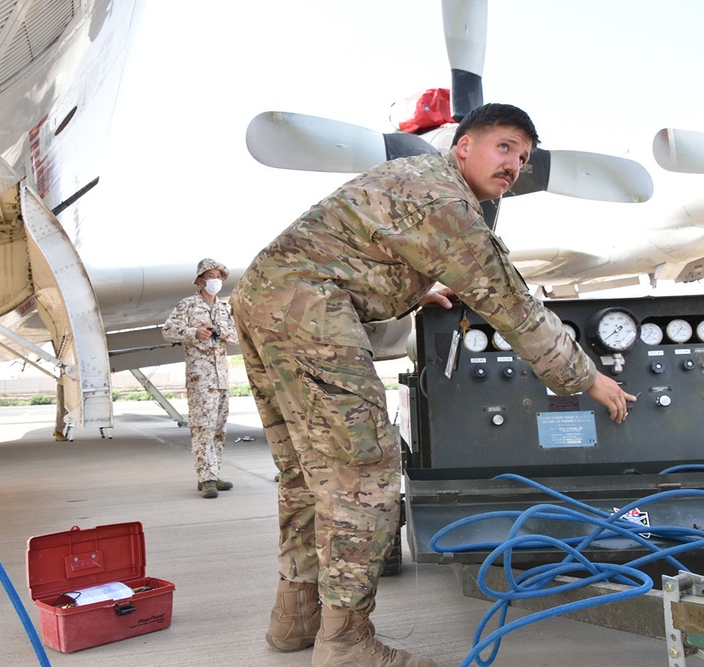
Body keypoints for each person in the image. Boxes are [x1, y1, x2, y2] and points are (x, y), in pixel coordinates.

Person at [229, 103, 636, 667]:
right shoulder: (446, 201)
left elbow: (357, 247)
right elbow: (510, 301)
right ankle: (345, 644)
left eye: (523, 157)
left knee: (307, 473)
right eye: (504, 147)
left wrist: (408, 289)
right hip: (306, 306)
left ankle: (296, 620)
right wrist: (585, 377)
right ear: (463, 145)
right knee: (362, 473)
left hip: (266, 297)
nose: (514, 164)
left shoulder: (419, 183)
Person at [162, 258, 239, 499]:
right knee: (202, 427)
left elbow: (235, 336)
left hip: (221, 378)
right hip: (201, 378)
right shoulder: (187, 305)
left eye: (218, 276)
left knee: (218, 429)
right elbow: (167, 331)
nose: (215, 280)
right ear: (199, 280)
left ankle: (213, 474)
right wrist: (193, 332)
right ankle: (205, 477)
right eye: (210, 275)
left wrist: (218, 330)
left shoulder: (224, 308)